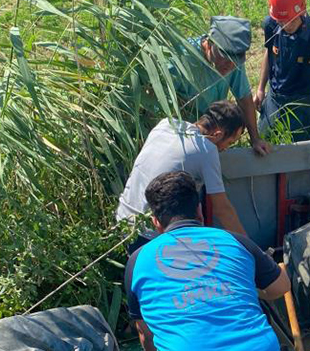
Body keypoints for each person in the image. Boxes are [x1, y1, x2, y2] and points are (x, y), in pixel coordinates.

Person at [125, 171, 290, 351]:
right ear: (199, 210)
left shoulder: (138, 261)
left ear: (155, 222)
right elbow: (281, 287)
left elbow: (145, 334)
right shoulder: (236, 241)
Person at [115, 101, 247, 236]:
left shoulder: (166, 124)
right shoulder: (206, 149)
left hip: (123, 221)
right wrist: (251, 250)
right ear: (217, 134)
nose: (225, 149)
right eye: (230, 142)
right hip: (150, 236)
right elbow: (222, 209)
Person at [171, 16, 271, 156]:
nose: (229, 65)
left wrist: (255, 139)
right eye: (224, 57)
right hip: (181, 134)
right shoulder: (181, 57)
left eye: (235, 61)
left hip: (213, 136)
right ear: (210, 43)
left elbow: (244, 99)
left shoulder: (233, 62)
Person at [254, 0, 310, 142]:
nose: (286, 26)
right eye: (281, 22)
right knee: (262, 146)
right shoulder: (271, 24)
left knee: (300, 157)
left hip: (303, 105)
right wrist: (260, 89)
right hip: (274, 98)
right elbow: (270, 53)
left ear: (302, 11)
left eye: (290, 21)